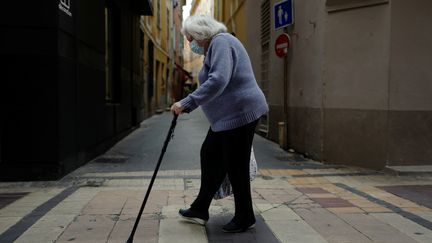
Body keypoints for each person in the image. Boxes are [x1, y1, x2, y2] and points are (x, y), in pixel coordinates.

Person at [171, 14, 268, 233]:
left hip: (241, 113)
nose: (189, 44)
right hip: (227, 118)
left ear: (200, 34)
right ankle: (200, 208)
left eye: (189, 38)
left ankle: (245, 216)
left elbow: (219, 79)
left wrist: (187, 102)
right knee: (211, 154)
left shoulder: (221, 42)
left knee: (236, 165)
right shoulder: (215, 46)